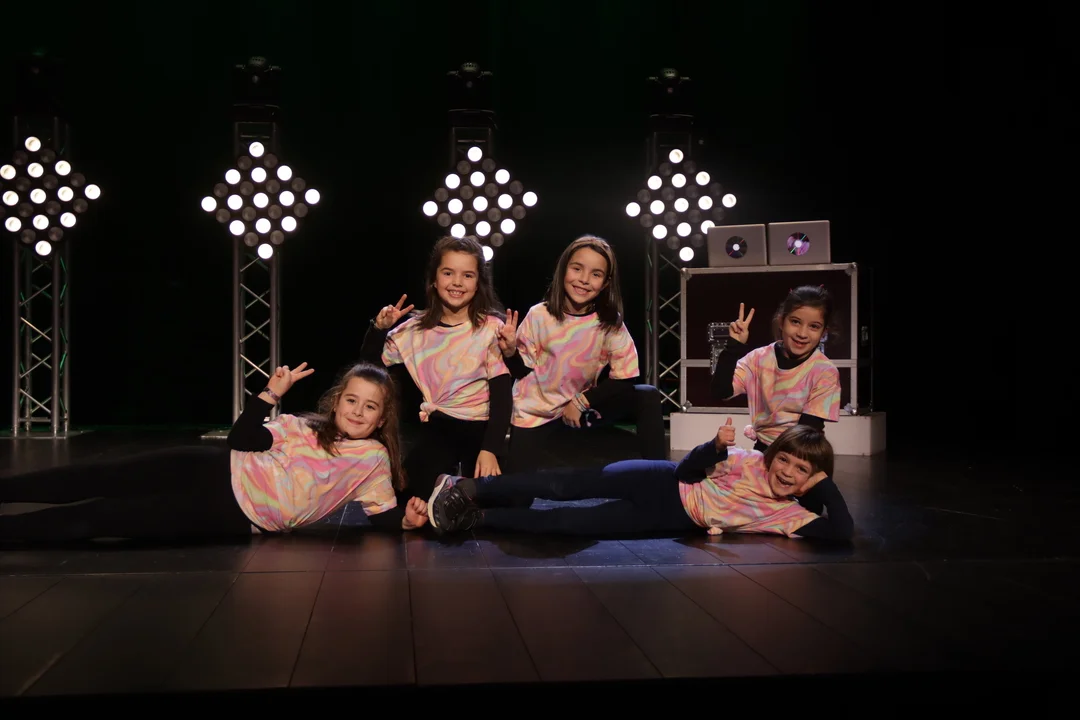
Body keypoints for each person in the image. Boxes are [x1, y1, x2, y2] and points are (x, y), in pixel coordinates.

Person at [0, 362, 429, 543]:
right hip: (212, 466)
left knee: (103, 516)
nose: (357, 411)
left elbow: (380, 514)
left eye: (369, 407)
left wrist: (405, 522)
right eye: (351, 400)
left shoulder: (373, 461)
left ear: (381, 418)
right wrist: (270, 394)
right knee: (100, 476)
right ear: (336, 402)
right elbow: (240, 439)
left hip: (230, 513)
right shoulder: (303, 427)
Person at [425, 419, 853, 542]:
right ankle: (467, 488)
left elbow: (841, 532)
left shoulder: (788, 515)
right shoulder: (748, 462)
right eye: (785, 460)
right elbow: (687, 470)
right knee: (564, 486)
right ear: (772, 456)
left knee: (570, 525)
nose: (787, 472)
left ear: (810, 480)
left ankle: (475, 519)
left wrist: (823, 485)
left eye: (802, 471)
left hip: (669, 519)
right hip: (659, 479)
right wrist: (713, 448)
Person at [360, 235, 511, 499]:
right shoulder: (413, 331)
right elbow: (370, 368)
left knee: (497, 499)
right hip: (439, 429)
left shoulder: (491, 328)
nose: (457, 282)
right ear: (434, 278)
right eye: (448, 273)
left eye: (467, 275)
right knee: (405, 495)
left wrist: (490, 449)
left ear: (478, 283)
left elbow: (502, 396)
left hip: (482, 429)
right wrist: (378, 329)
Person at [499, 235, 665, 470]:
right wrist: (509, 352)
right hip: (536, 416)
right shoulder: (539, 315)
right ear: (563, 270)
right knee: (519, 489)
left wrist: (581, 401)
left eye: (596, 274)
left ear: (605, 283)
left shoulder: (609, 322)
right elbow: (520, 370)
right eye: (577, 269)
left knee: (647, 395)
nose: (584, 280)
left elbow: (626, 377)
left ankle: (659, 474)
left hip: (578, 410)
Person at [710, 285, 842, 452]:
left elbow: (807, 432)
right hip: (763, 448)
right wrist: (733, 347)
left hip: (801, 452)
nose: (802, 333)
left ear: (824, 332)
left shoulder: (825, 372)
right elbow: (721, 392)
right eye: (795, 322)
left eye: (814, 326)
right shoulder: (758, 359)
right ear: (781, 322)